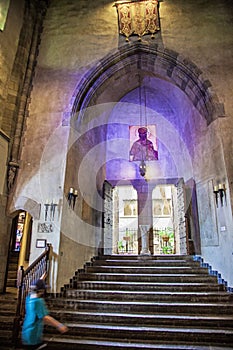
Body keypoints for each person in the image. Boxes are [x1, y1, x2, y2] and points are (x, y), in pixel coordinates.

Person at [21, 278, 68, 350]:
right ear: (41, 291)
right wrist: (59, 325)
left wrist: (40, 280)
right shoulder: (38, 301)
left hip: (26, 331)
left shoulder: (29, 298)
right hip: (34, 333)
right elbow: (45, 317)